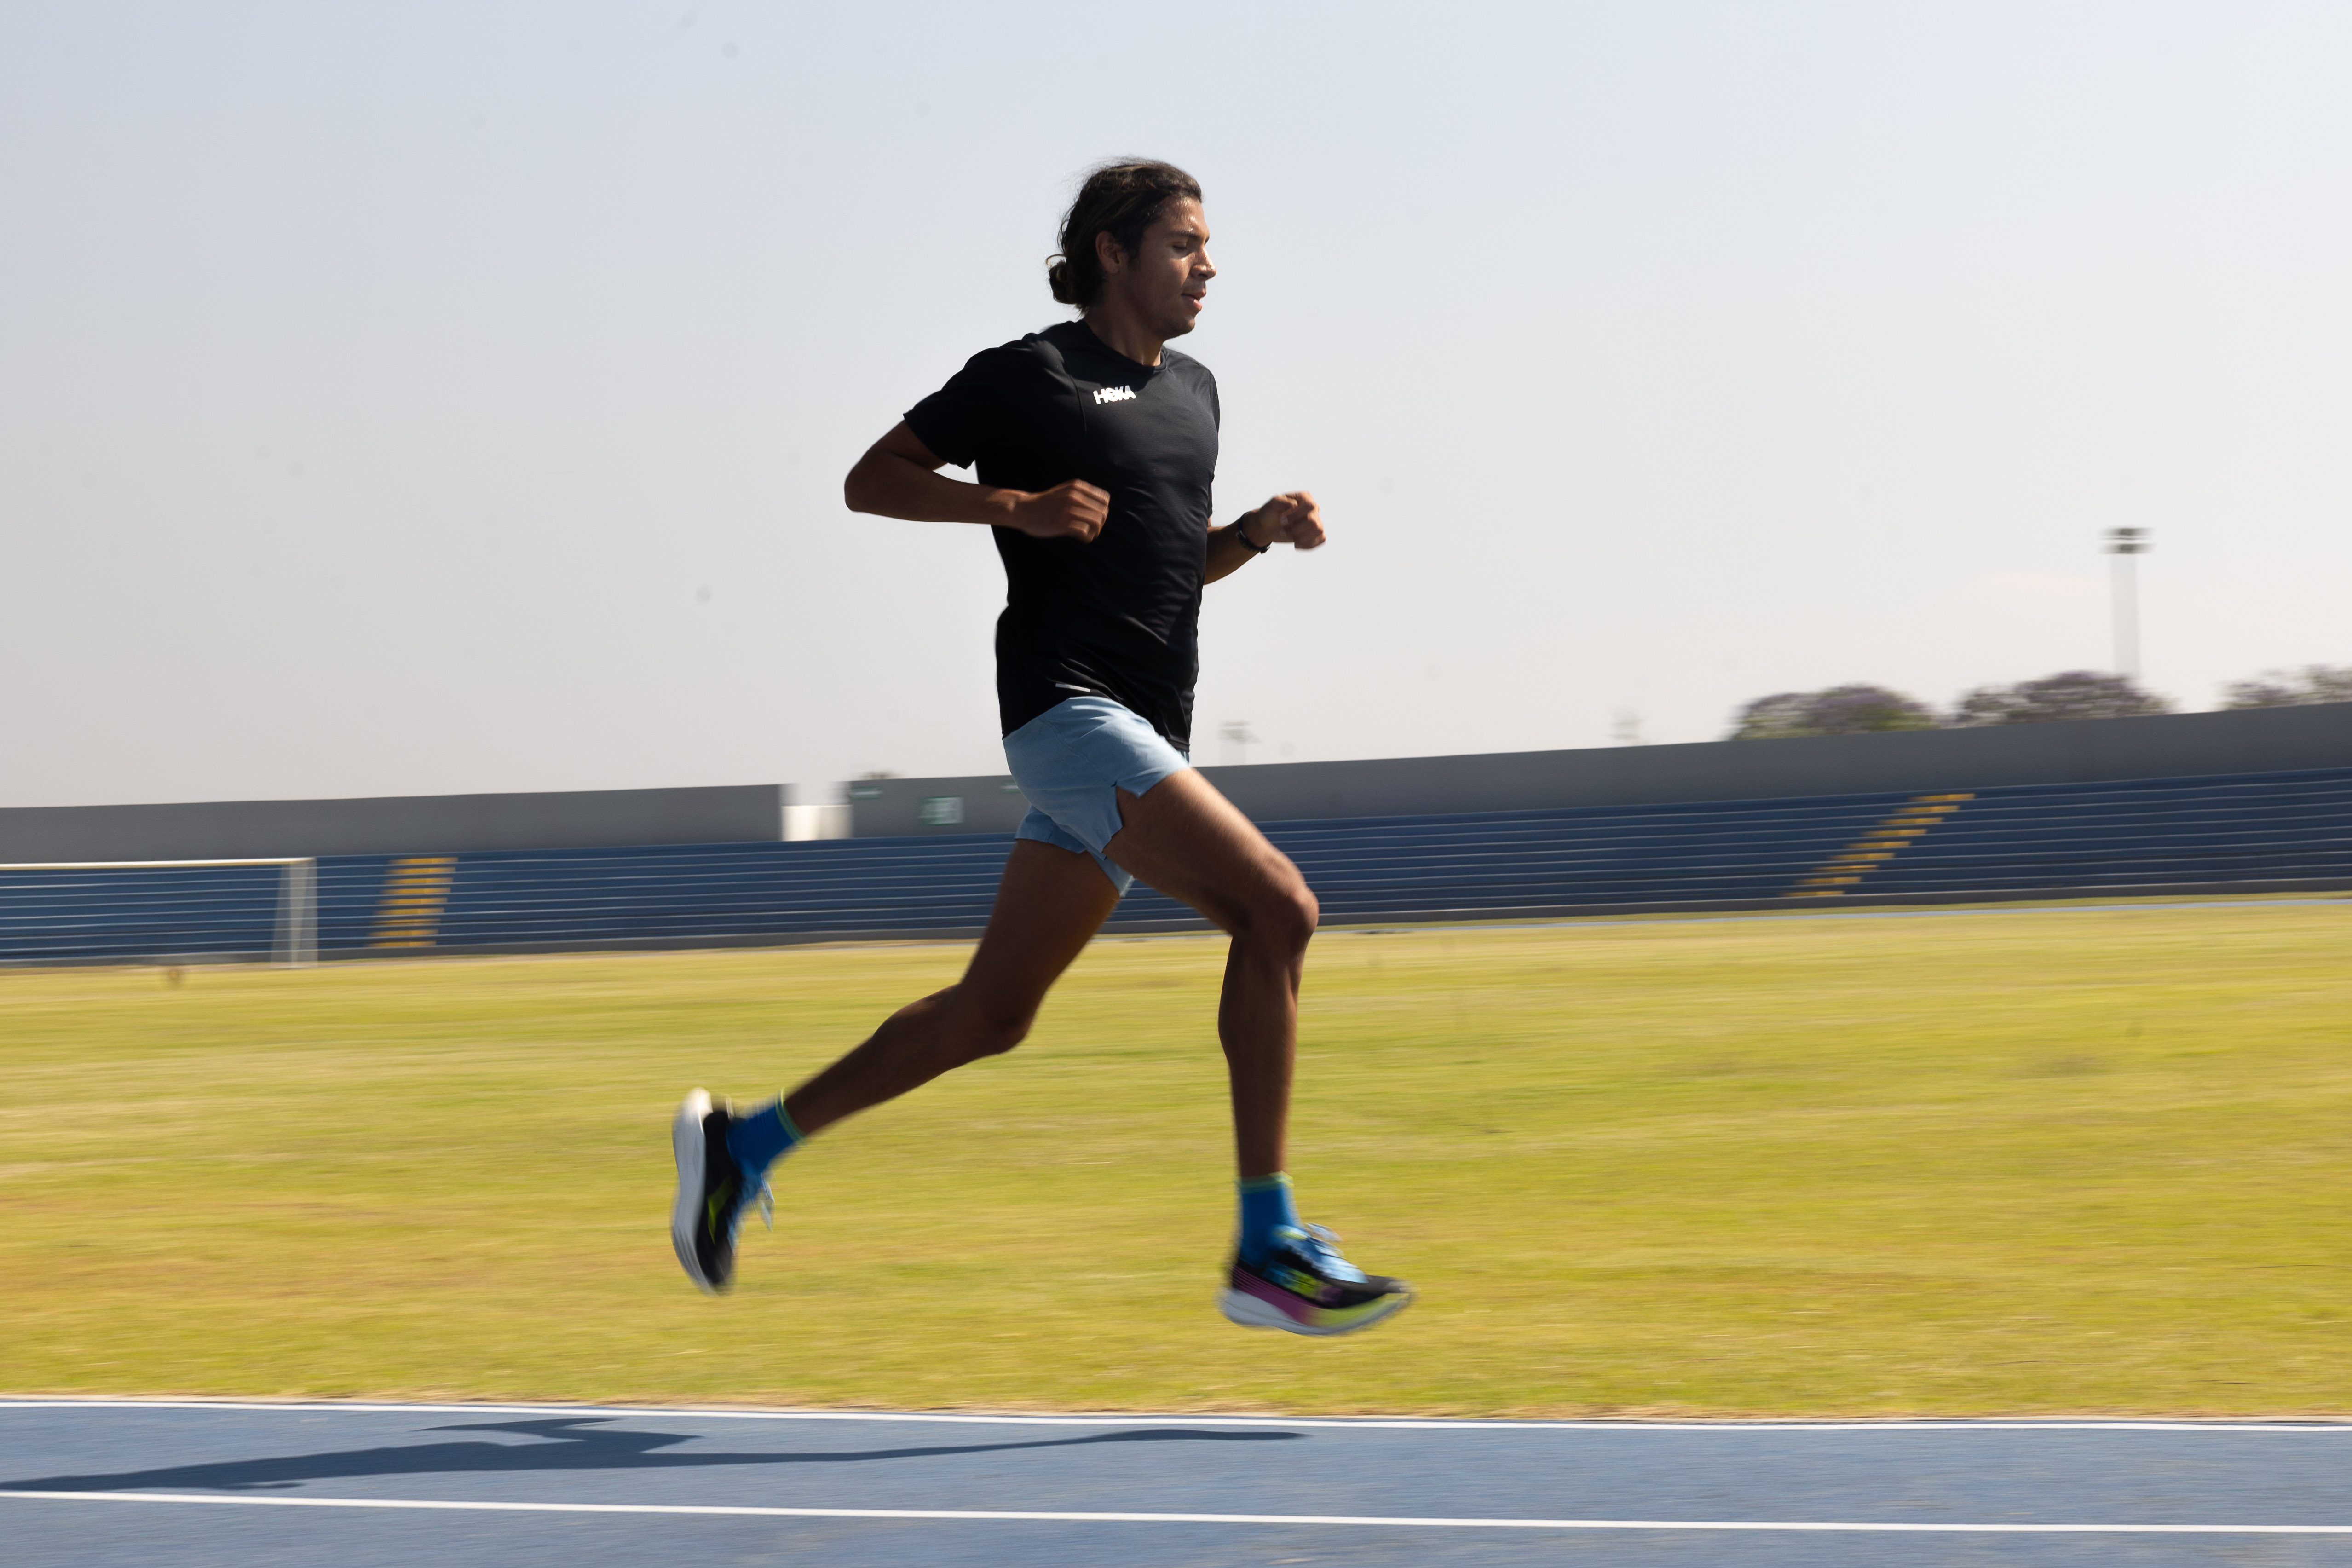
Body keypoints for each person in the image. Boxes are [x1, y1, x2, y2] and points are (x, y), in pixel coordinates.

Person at [672, 159, 1410, 1337]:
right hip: (1069, 716)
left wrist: (1257, 536)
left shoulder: (1199, 392)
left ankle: (741, 1147)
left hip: (1142, 731)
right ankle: (1267, 1245)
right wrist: (1008, 508)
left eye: (1208, 245)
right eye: (1182, 243)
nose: (1207, 265)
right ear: (1112, 254)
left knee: (992, 1014)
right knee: (1280, 911)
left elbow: (1176, 566)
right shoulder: (1031, 375)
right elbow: (872, 480)